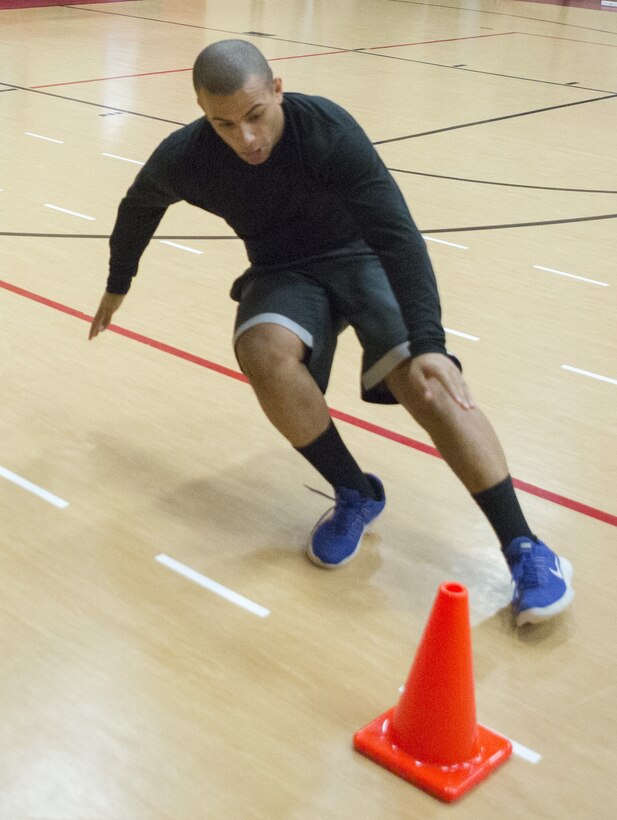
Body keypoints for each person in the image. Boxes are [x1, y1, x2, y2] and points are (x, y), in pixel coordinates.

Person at [89, 39, 574, 627]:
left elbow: (397, 235)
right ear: (202, 112)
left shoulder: (327, 130)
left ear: (277, 89)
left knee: (424, 380)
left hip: (362, 254)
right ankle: (354, 492)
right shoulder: (187, 156)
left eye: (255, 115)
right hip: (284, 270)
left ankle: (527, 548)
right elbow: (138, 206)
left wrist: (430, 342)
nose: (246, 138)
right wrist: (118, 283)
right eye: (224, 124)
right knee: (262, 351)